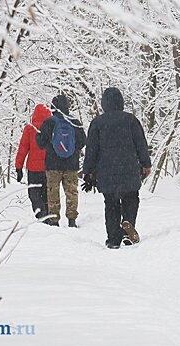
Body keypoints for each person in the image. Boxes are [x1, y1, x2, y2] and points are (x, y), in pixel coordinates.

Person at [82, 87, 152, 249]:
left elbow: (91, 150)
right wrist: (146, 164)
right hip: (129, 169)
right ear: (121, 102)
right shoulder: (131, 120)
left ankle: (113, 238)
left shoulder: (97, 123)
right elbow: (141, 144)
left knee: (111, 204)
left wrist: (88, 171)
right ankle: (128, 228)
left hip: (106, 172)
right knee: (131, 198)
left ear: (104, 103)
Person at [36, 94, 86, 227]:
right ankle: (72, 220)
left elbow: (40, 143)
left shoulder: (49, 122)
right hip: (71, 164)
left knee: (52, 192)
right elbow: (82, 141)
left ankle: (54, 220)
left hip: (53, 164)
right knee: (71, 192)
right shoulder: (74, 122)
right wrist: (72, 150)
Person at [15, 104, 51, 221]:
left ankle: (40, 213)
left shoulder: (30, 128)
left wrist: (18, 167)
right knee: (47, 192)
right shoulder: (52, 127)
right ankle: (48, 214)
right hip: (49, 167)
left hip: (33, 168)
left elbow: (23, 148)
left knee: (34, 192)